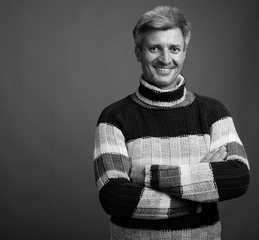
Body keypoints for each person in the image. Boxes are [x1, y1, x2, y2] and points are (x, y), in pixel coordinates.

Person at [93, 6, 250, 240]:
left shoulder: (214, 113)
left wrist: (149, 176)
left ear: (184, 52)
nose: (166, 59)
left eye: (174, 49)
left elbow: (238, 178)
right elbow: (115, 197)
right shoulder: (114, 118)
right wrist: (200, 192)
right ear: (138, 52)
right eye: (154, 48)